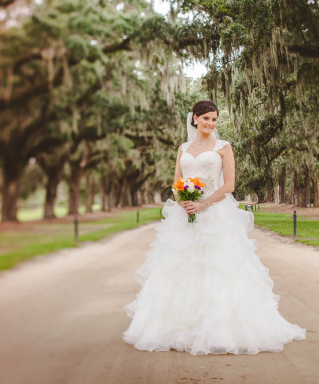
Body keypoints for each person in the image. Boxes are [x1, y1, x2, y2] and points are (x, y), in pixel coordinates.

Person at [122, 100, 306, 355]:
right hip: (185, 215)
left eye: (214, 119)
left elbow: (229, 185)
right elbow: (177, 181)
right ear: (194, 119)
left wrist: (204, 204)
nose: (210, 123)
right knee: (182, 268)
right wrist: (184, 200)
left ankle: (221, 331)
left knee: (218, 268)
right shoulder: (183, 148)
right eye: (206, 118)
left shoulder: (223, 147)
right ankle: (180, 329)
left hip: (216, 214)